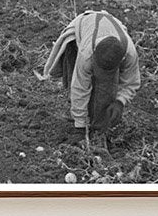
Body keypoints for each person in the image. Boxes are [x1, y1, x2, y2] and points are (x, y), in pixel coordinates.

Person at [40, 9, 140, 141]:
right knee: (77, 82)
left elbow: (131, 82)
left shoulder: (129, 53)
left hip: (110, 26)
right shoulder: (86, 55)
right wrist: (80, 128)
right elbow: (79, 89)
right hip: (83, 26)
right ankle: (81, 121)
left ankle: (99, 130)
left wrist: (120, 102)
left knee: (107, 91)